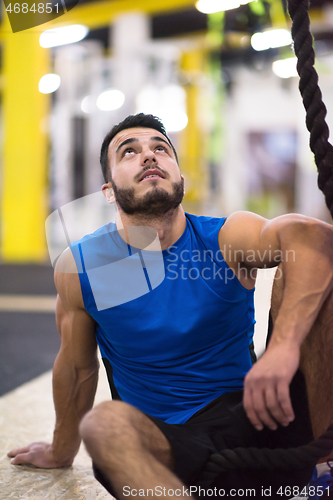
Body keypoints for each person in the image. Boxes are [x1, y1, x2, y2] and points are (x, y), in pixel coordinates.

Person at [8, 113, 333, 499]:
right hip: (167, 452)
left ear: (180, 178)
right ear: (109, 190)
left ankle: (323, 469)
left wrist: (283, 347)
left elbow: (314, 236)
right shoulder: (82, 267)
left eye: (160, 149)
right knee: (103, 425)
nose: (148, 156)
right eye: (129, 152)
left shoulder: (226, 238)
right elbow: (77, 366)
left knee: (317, 281)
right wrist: (62, 450)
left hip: (261, 421)